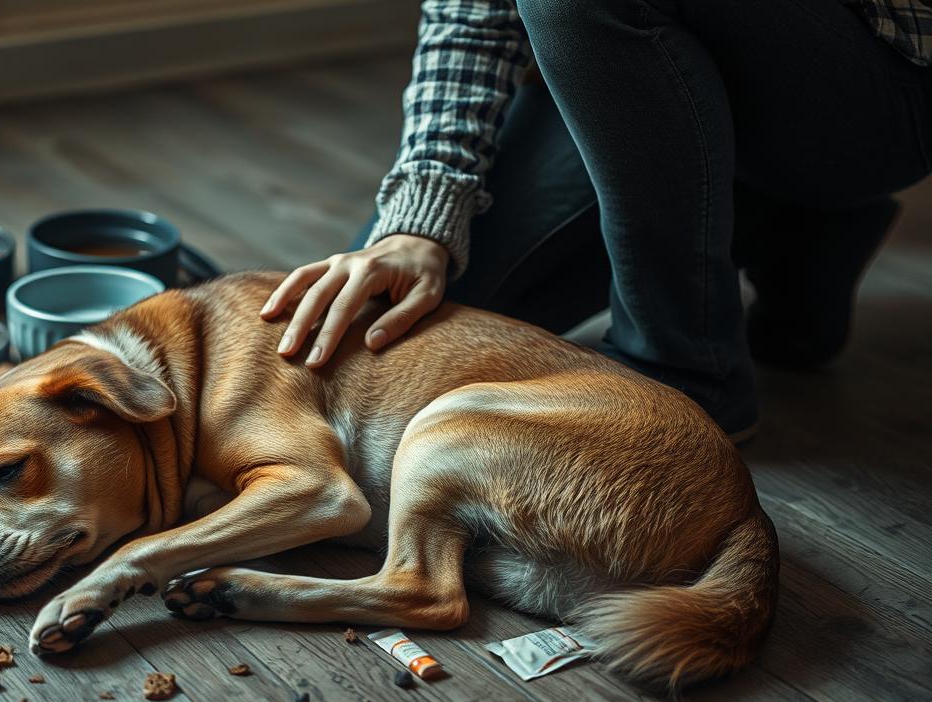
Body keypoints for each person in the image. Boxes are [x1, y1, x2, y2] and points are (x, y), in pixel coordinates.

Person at [262, 0, 932, 441]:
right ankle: (785, 224)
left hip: (879, 74)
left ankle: (685, 367)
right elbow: (470, 13)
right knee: (383, 347)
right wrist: (422, 220)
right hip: (649, 49)